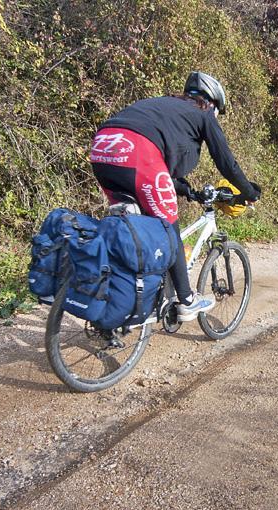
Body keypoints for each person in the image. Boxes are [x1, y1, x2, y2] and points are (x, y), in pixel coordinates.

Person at [89, 71, 261, 322]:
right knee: (169, 227)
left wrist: (186, 189)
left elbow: (163, 166)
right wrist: (248, 192)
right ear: (211, 103)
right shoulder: (203, 114)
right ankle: (187, 300)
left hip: (103, 149)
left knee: (129, 228)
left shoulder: (163, 107)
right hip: (138, 153)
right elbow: (227, 163)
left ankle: (116, 288)